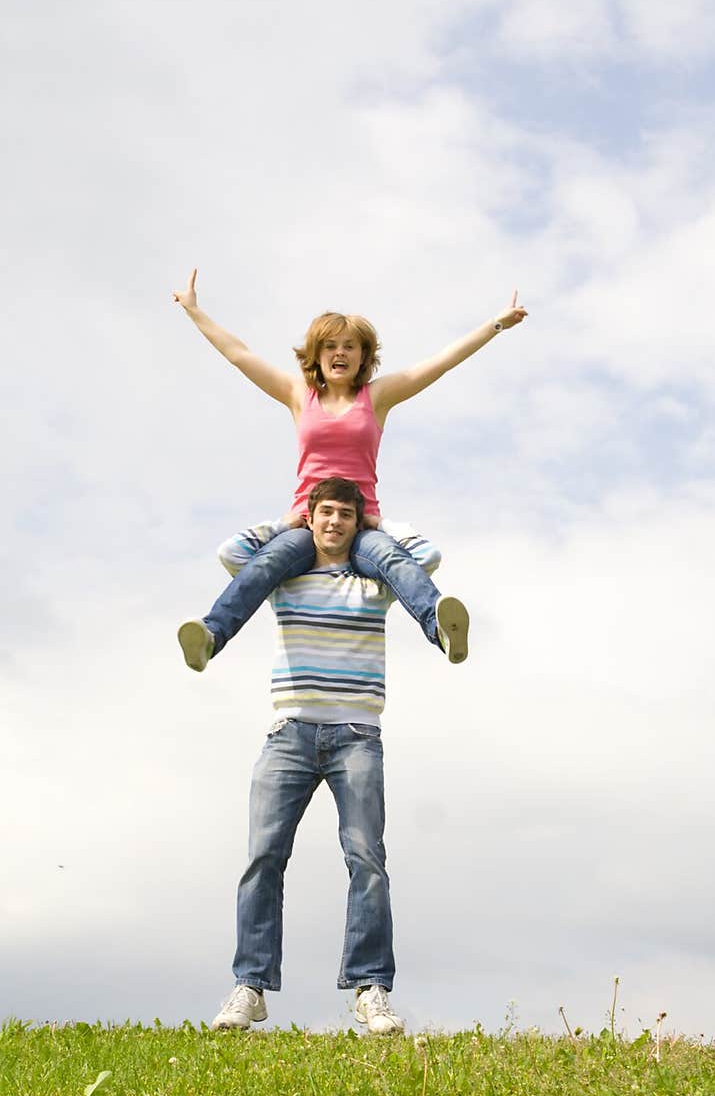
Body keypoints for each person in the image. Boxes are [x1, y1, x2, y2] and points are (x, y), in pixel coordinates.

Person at [171, 270, 527, 671]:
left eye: (350, 346)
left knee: (393, 559)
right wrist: (194, 312)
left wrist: (496, 325)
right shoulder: (297, 395)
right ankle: (211, 637)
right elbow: (240, 354)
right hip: (307, 524)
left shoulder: (376, 397)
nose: (340, 353)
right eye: (331, 346)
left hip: (360, 524)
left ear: (363, 356)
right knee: (267, 563)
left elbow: (440, 363)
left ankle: (441, 629)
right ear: (317, 355)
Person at [209, 476, 443, 1035]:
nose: (335, 522)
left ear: (356, 524)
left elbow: (427, 557)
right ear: (312, 519)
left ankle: (371, 989)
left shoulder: (375, 583)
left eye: (345, 514)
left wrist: (382, 529)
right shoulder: (285, 580)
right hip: (289, 733)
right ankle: (250, 987)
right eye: (325, 513)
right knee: (263, 857)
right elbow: (232, 553)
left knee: (366, 859)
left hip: (357, 735)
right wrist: (284, 525)